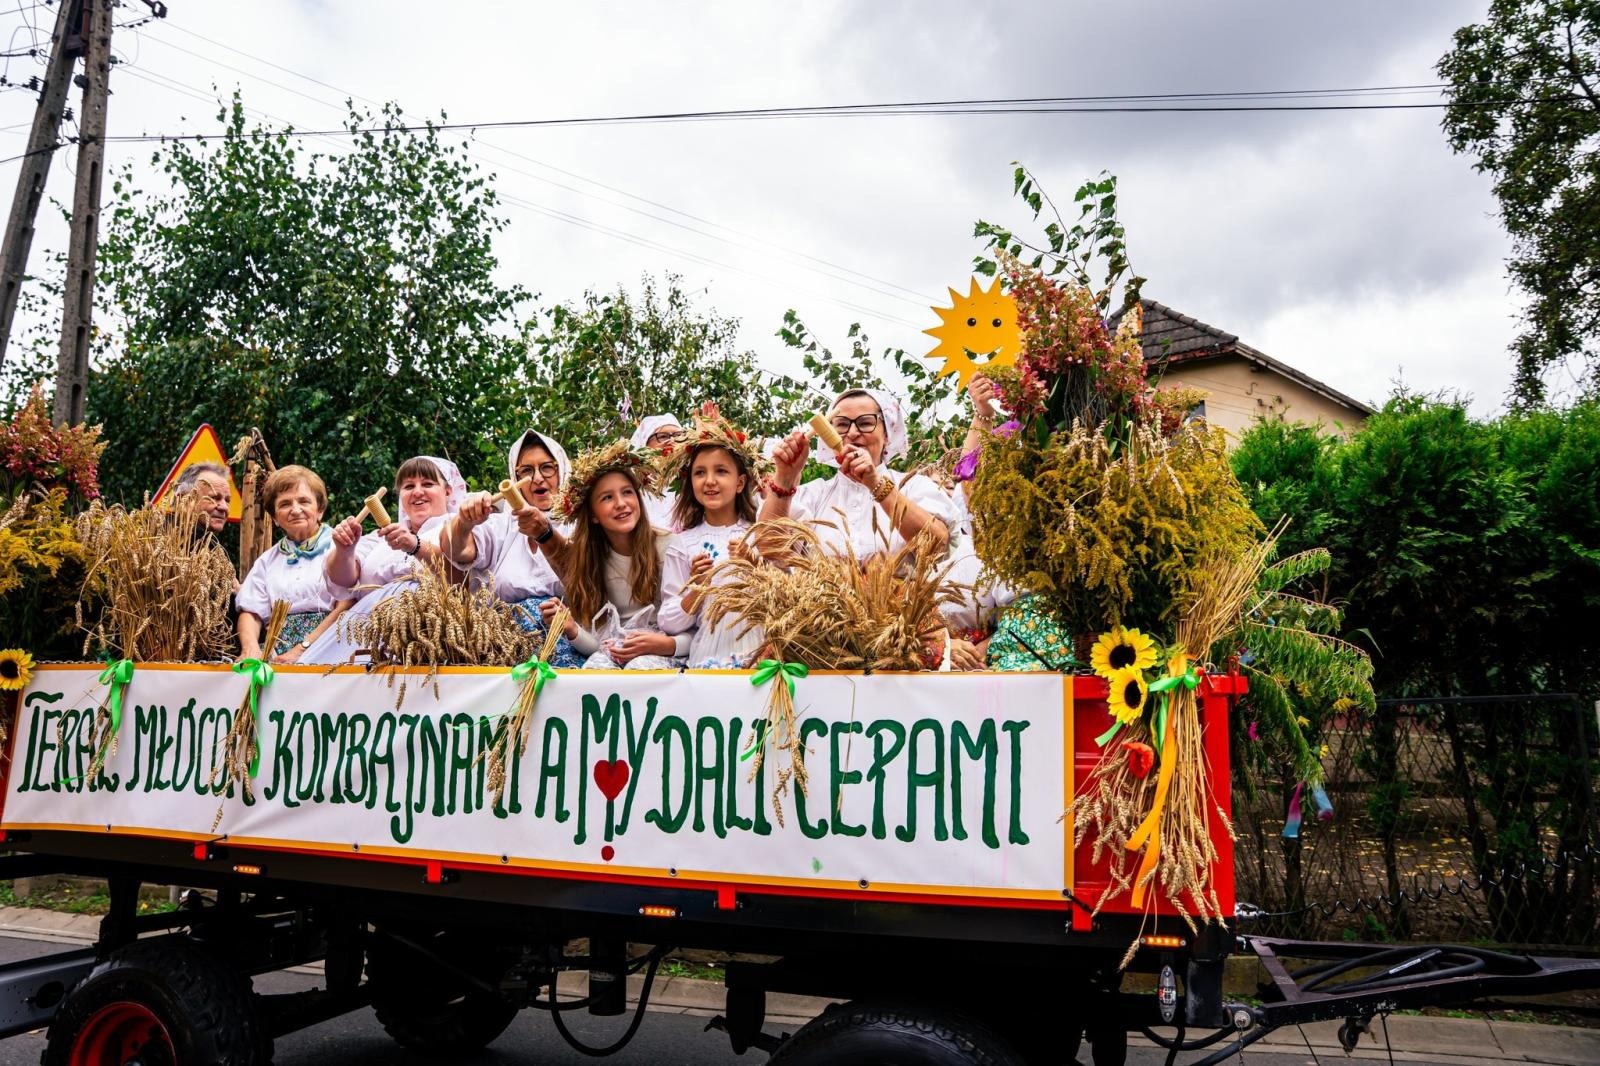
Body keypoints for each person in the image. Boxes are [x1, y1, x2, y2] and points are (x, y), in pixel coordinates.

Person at [299, 455, 466, 665]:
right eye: (408, 486)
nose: (417, 492)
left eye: (428, 484)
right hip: (365, 636)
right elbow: (344, 581)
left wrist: (414, 545)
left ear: (448, 491)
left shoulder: (459, 530)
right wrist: (344, 550)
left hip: (432, 639)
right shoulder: (379, 539)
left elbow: (464, 579)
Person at [761, 388, 957, 562]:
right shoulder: (813, 495)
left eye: (865, 423)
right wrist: (785, 478)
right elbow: (769, 551)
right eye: (842, 424)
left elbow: (937, 547)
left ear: (887, 434)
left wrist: (877, 484)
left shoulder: (914, 486)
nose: (853, 433)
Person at [440, 429, 583, 668]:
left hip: (569, 646)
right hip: (503, 652)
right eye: (526, 471)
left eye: (547, 467)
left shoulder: (581, 525)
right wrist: (463, 523)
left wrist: (544, 532)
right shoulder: (502, 526)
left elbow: (585, 582)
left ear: (563, 471)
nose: (537, 478)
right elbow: (457, 551)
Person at [546, 441, 687, 670]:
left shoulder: (667, 547)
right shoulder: (590, 559)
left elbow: (692, 631)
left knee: (639, 667)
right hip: (614, 653)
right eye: (607, 498)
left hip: (665, 649)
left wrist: (663, 645)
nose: (621, 504)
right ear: (593, 515)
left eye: (627, 492)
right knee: (594, 670)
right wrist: (571, 628)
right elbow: (599, 647)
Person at [657, 411, 768, 669]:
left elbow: (786, 598)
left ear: (740, 482)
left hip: (760, 657)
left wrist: (754, 565)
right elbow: (668, 622)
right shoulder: (682, 544)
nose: (709, 481)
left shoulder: (759, 534)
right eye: (700, 473)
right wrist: (697, 587)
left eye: (721, 471)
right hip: (707, 660)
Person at [236, 465, 352, 663]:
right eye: (285, 504)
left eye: (304, 501)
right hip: (278, 655)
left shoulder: (341, 547)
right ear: (275, 518)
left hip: (330, 648)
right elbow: (251, 611)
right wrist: (251, 648)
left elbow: (347, 605)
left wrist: (301, 649)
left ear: (320, 510)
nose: (296, 510)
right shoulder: (267, 561)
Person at [630, 413, 683, 531]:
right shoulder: (632, 485)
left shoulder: (691, 480)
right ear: (645, 444)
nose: (672, 440)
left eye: (678, 435)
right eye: (663, 436)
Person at [170, 461, 231, 534]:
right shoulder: (160, 538)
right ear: (183, 500)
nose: (225, 507)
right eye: (214, 498)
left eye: (227, 500)